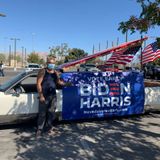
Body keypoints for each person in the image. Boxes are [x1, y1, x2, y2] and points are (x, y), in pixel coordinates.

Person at [36, 56, 65, 137]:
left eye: (53, 63)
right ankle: (39, 129)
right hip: (44, 95)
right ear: (47, 63)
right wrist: (41, 95)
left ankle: (48, 128)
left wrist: (66, 83)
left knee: (51, 112)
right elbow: (38, 84)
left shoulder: (55, 72)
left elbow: (58, 82)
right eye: (50, 63)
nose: (51, 65)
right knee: (42, 113)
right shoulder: (42, 71)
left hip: (53, 96)